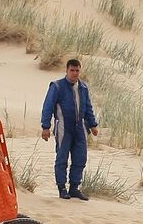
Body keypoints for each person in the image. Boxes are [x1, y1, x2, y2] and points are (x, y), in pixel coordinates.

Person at [40, 58, 99, 200]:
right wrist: (45, 127)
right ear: (66, 70)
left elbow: (88, 107)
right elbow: (48, 106)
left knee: (80, 158)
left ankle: (74, 188)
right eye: (72, 70)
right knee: (62, 158)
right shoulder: (57, 86)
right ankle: (62, 188)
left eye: (77, 70)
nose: (74, 73)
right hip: (63, 127)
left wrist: (93, 124)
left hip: (80, 128)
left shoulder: (83, 88)